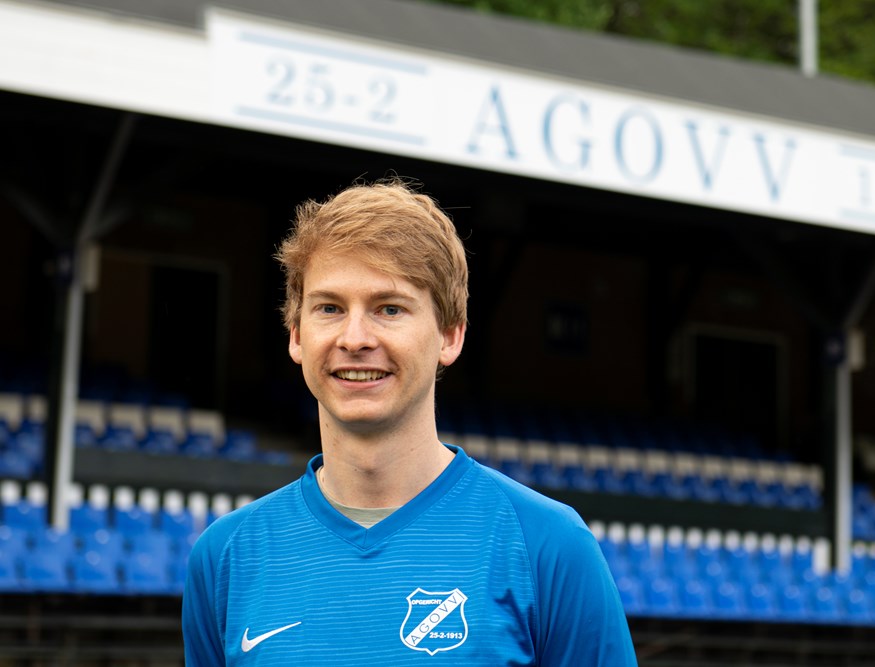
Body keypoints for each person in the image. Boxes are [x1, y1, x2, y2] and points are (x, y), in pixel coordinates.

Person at [182, 179, 637, 665]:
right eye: (329, 308)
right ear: (296, 335)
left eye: (389, 308)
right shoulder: (225, 557)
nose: (354, 338)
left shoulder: (549, 546)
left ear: (450, 335)